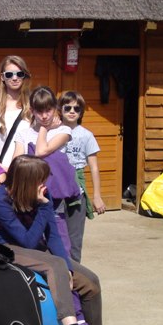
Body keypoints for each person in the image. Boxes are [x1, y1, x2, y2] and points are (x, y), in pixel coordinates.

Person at [0, 155, 116, 325]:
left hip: (35, 247)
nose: (44, 184)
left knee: (90, 280)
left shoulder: (41, 193)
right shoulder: (0, 199)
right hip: (6, 248)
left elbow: (53, 236)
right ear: (27, 180)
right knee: (55, 265)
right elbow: (25, 241)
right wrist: (44, 208)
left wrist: (69, 268)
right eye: (41, 179)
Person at [13, 86, 82, 254]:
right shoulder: (23, 133)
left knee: (59, 238)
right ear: (32, 111)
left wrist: (44, 128)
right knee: (33, 240)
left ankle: (65, 267)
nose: (44, 116)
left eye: (48, 110)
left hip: (53, 195)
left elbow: (41, 151)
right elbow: (16, 162)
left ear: (55, 109)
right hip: (29, 195)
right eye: (39, 111)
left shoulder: (64, 130)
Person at [60, 90, 105, 262]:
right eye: (67, 108)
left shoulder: (86, 135)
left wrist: (97, 196)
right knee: (56, 234)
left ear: (81, 112)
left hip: (77, 190)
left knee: (74, 237)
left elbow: (94, 167)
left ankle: (74, 272)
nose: (72, 111)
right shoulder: (53, 132)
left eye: (76, 108)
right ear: (60, 109)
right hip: (56, 187)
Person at [0, 55, 32, 168]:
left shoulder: (33, 107)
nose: (14, 78)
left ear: (24, 76)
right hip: (1, 169)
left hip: (29, 171)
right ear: (2, 77)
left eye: (19, 74)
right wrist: (2, 169)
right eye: (9, 74)